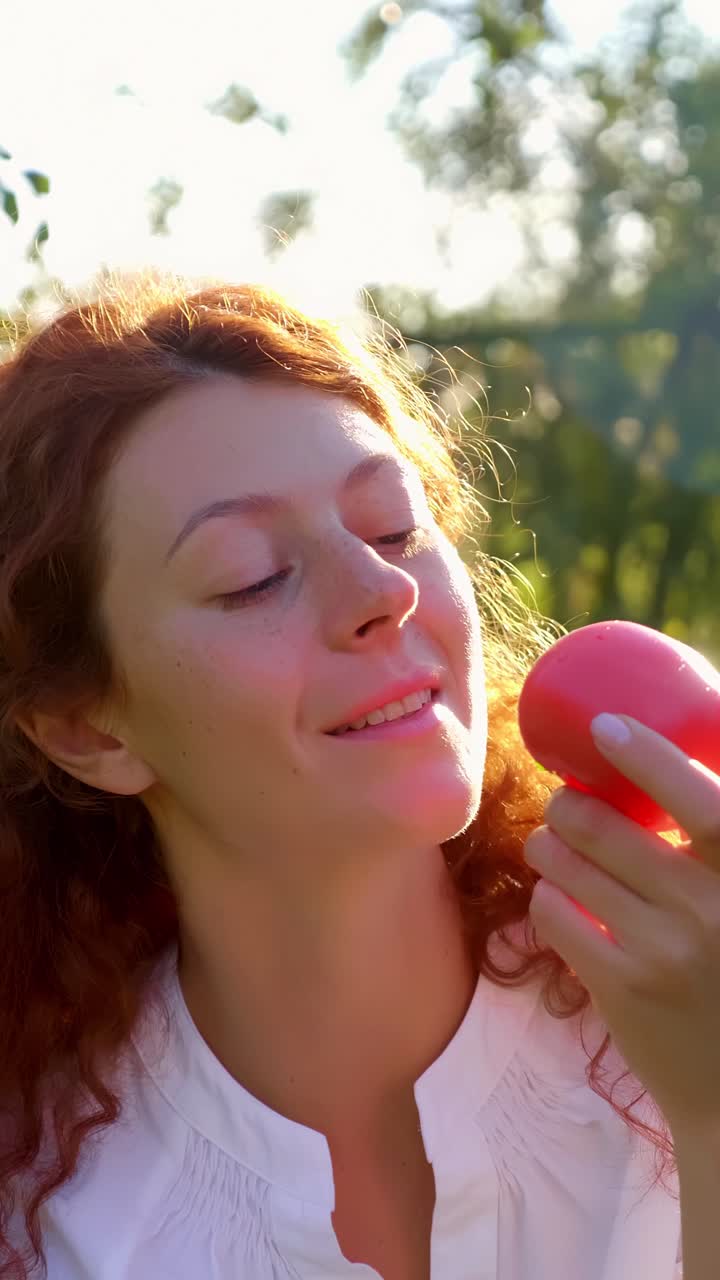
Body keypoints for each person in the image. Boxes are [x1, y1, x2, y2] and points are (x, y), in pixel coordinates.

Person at [0, 272, 682, 1279]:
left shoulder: (671, 1009)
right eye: (252, 575)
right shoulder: (52, 1223)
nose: (385, 589)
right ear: (83, 728)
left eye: (395, 525)